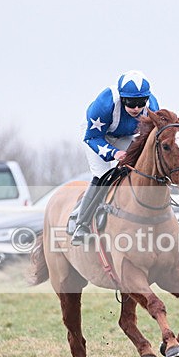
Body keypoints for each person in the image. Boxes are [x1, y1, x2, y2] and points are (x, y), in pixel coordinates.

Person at [71, 70, 160, 245]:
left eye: (140, 103)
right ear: (122, 98)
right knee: (103, 173)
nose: (136, 108)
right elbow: (91, 137)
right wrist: (113, 153)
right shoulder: (104, 104)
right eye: (130, 103)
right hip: (97, 135)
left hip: (125, 135)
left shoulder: (152, 108)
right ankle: (82, 224)